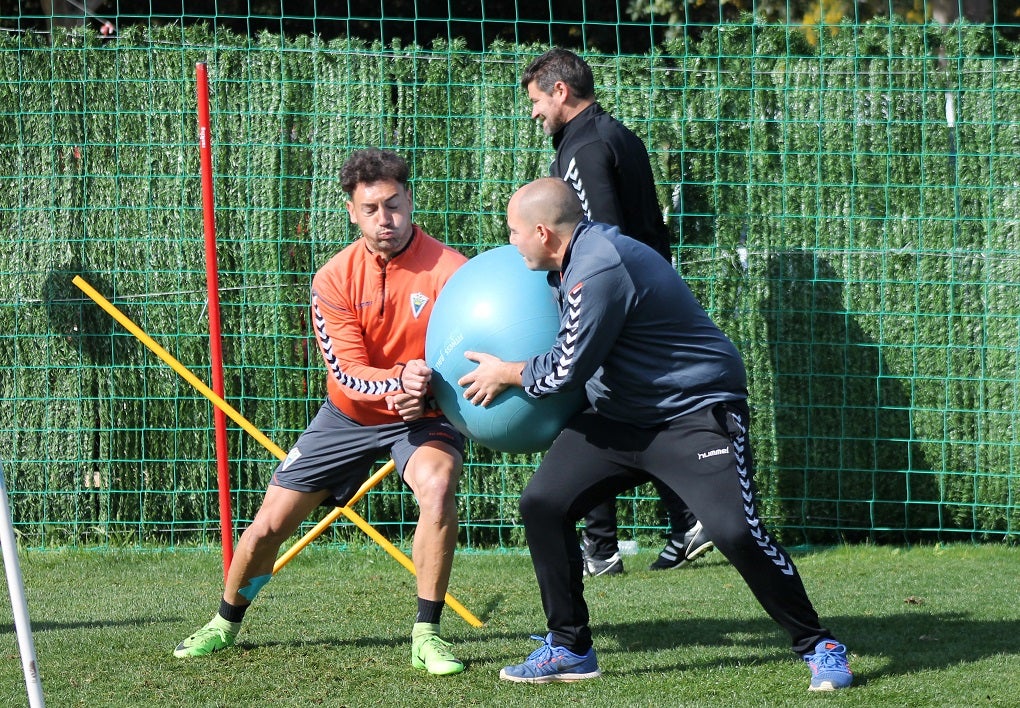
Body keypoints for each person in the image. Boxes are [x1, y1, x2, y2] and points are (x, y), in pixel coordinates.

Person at [458, 178, 854, 690]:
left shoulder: (598, 267)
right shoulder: (570, 259)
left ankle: (819, 644)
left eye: (513, 233)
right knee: (543, 504)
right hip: (619, 418)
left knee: (736, 532)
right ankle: (570, 647)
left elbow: (564, 371)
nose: (509, 243)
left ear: (542, 232)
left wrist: (506, 372)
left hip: (693, 414)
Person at [173, 148, 470, 676]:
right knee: (267, 527)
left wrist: (426, 390)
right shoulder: (332, 278)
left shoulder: (453, 270)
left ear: (410, 201)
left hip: (425, 415)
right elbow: (347, 373)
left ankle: (427, 634)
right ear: (353, 213)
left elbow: (469, 351)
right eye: (372, 208)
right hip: (349, 416)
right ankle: (224, 623)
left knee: (438, 487)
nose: (386, 219)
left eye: (395, 205)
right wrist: (398, 379)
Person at [521, 47, 713, 574]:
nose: (534, 112)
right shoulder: (613, 134)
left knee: (591, 410)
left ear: (561, 91)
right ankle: (672, 522)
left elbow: (600, 240)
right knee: (628, 411)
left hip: (621, 309)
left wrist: (585, 305)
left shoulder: (585, 150)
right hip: (641, 300)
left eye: (537, 100)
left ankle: (606, 546)